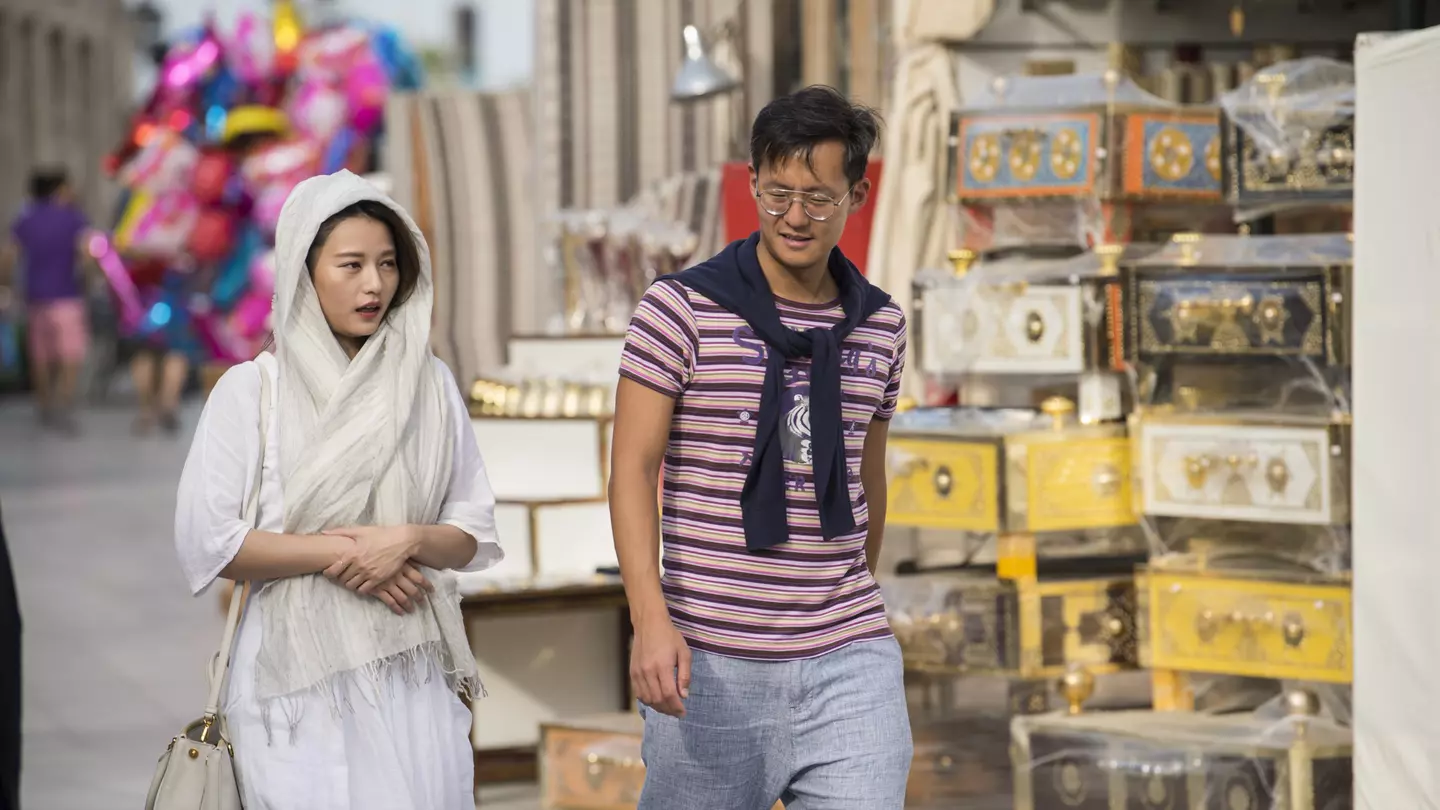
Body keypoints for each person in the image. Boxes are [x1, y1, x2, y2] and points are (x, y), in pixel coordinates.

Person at [609, 85, 912, 810]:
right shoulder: (679, 310)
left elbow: (870, 484)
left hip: (849, 655)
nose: (794, 218)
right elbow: (630, 472)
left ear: (857, 195)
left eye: (817, 198)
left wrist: (842, 598)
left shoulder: (881, 326)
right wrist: (650, 622)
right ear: (751, 183)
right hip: (708, 663)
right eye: (776, 195)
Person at [173, 170, 503, 809]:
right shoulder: (253, 391)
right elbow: (212, 543)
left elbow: (471, 533)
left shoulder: (428, 385)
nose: (374, 284)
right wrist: (349, 555)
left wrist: (406, 539)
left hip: (412, 671)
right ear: (303, 270)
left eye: (386, 264)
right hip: (292, 689)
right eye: (351, 265)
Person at [0, 168, 93, 433]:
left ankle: (44, 405)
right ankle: (65, 403)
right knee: (70, 353)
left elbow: (8, 255)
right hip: (67, 295)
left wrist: (4, 283)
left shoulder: (25, 219)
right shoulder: (74, 218)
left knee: (40, 354)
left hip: (36, 297)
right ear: (59, 190)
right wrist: (87, 278)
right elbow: (87, 254)